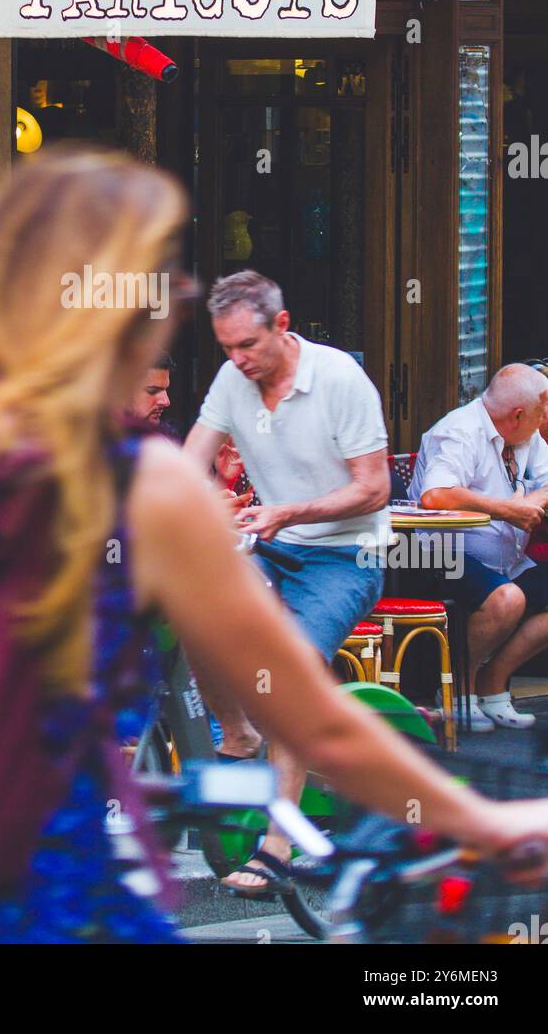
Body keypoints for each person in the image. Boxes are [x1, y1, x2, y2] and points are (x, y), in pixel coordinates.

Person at [0, 153, 548, 942]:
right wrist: (483, 820)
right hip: (24, 895)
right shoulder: (130, 482)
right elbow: (321, 725)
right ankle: (242, 768)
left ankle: (229, 746)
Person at [183, 270, 391, 892]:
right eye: (226, 348)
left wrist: (288, 511)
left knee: (291, 668)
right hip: (269, 542)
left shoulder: (339, 380)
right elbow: (192, 455)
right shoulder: (233, 378)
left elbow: (374, 488)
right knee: (194, 614)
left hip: (345, 554)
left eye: (247, 346)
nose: (237, 360)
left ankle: (278, 846)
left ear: (282, 324)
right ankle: (240, 734)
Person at [409, 364, 548, 731]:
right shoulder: (459, 431)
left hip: (505, 556)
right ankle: (457, 689)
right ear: (518, 415)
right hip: (438, 555)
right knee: (507, 600)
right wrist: (509, 509)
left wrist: (530, 501)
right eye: (541, 413)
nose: (544, 420)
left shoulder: (524, 435)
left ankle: (492, 683)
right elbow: (435, 495)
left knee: (518, 593)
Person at [125, 352, 174, 429]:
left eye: (166, 390)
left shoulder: (164, 439)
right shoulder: (101, 438)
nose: (166, 402)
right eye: (153, 391)